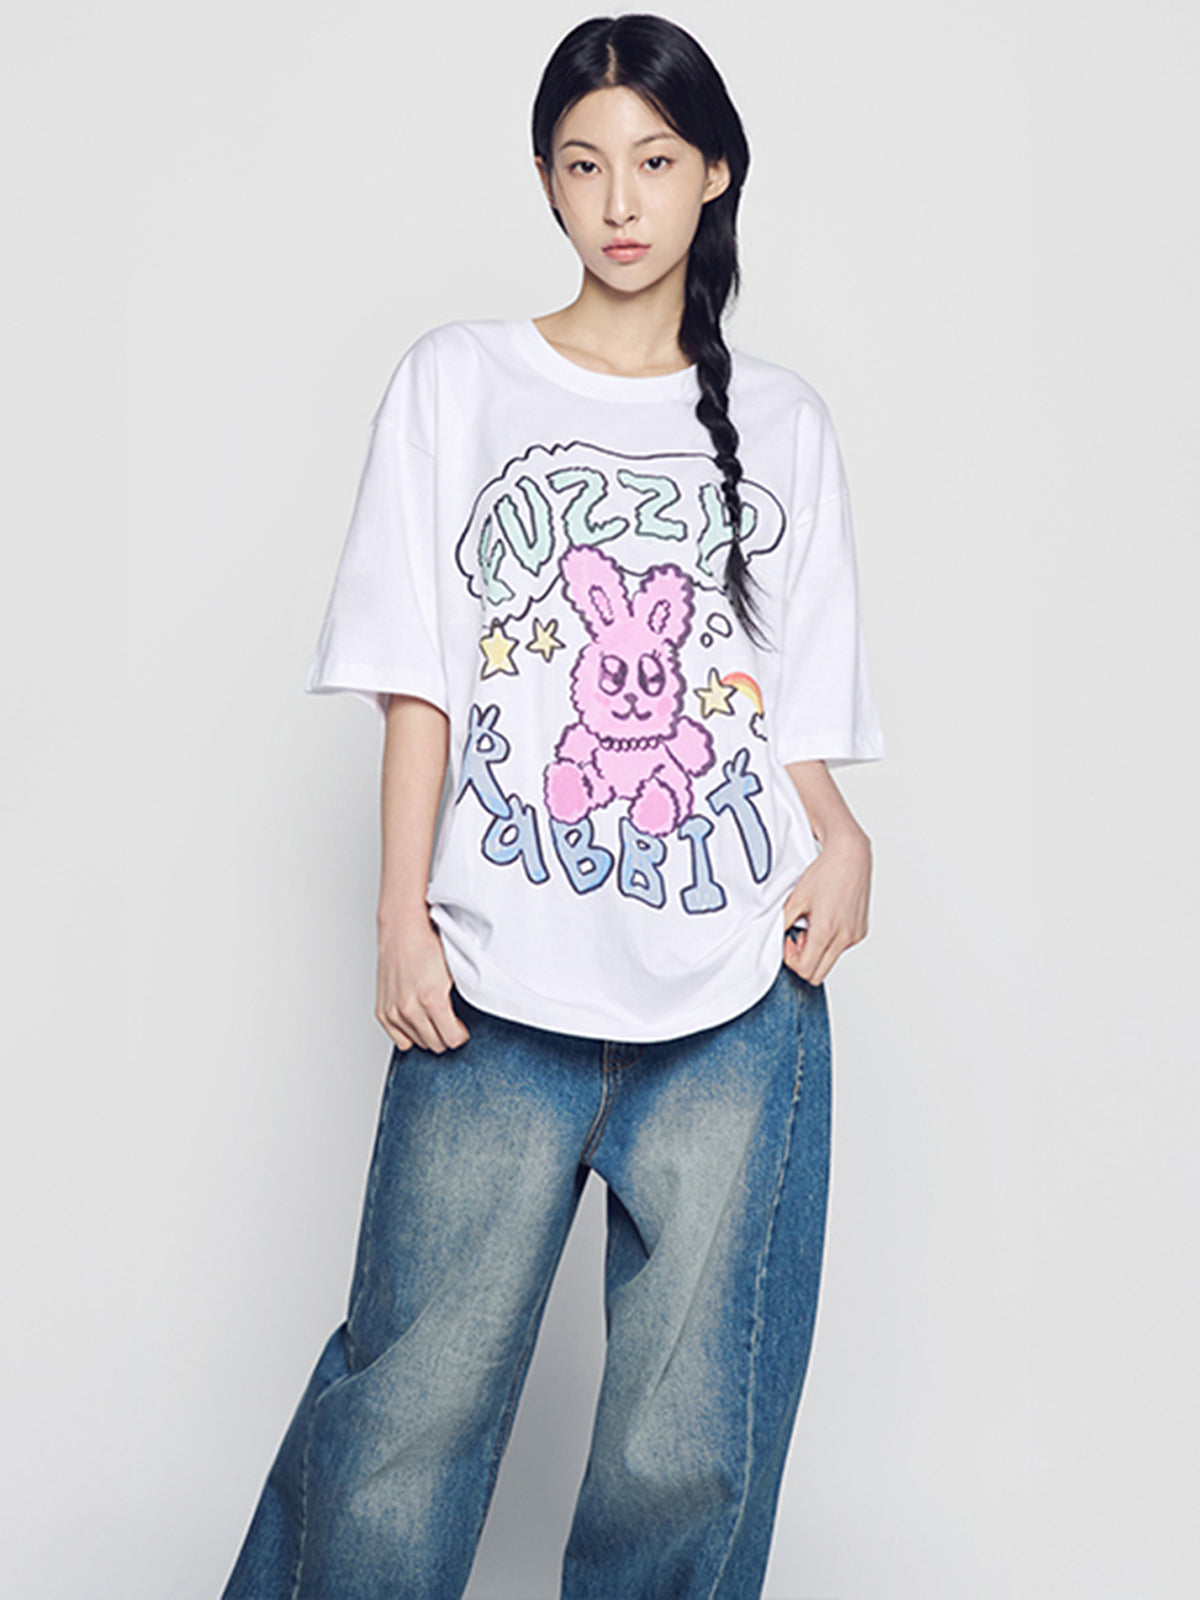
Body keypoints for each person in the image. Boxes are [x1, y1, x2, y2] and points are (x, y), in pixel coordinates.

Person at [221, 12, 884, 1599]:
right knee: (402, 1419)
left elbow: (776, 704)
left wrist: (845, 837)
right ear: (546, 182)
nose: (621, 200)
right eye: (585, 166)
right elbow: (418, 677)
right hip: (496, 984)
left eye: (655, 160)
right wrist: (400, 915)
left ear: (714, 173)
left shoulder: (783, 422)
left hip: (738, 1000)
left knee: (692, 1452)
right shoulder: (460, 383)